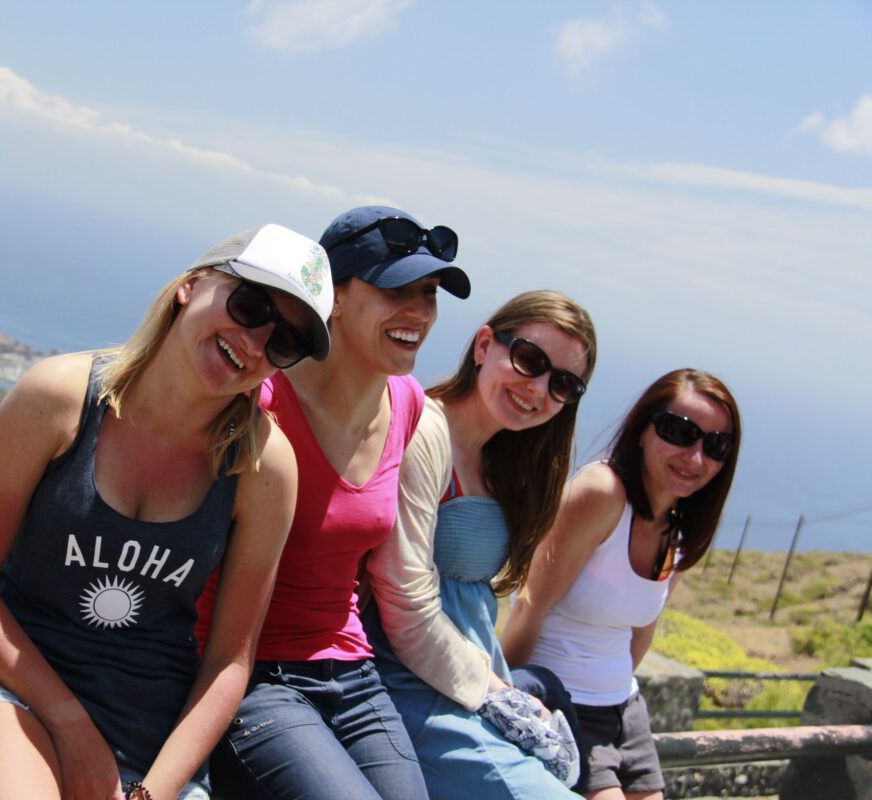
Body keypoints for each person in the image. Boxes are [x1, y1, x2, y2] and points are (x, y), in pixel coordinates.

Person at [0, 223, 335, 800]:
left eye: (284, 342)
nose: (256, 342)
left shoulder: (263, 466)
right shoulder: (58, 400)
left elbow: (229, 664)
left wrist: (151, 793)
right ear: (192, 285)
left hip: (152, 731)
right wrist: (71, 726)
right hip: (7, 692)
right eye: (249, 306)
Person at [199, 206, 471, 799]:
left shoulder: (408, 404)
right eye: (396, 290)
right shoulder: (260, 402)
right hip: (251, 674)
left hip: (352, 673)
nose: (419, 312)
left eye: (429, 293)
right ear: (335, 297)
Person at [363, 290, 597, 799]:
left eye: (562, 384)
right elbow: (404, 607)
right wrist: (499, 694)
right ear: (485, 345)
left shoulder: (501, 461)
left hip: (467, 683)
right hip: (411, 686)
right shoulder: (426, 431)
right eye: (530, 360)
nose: (539, 388)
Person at [502, 369, 742, 800]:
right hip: (563, 704)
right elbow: (529, 604)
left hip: (625, 709)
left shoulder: (678, 528)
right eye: (679, 432)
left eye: (716, 445)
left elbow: (641, 631)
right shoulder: (603, 493)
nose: (695, 458)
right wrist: (500, 703)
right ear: (642, 429)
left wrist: (613, 690)